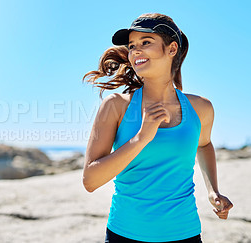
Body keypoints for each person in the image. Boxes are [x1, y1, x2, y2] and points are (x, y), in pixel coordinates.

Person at [82, 13, 233, 243]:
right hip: (125, 235)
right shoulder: (116, 106)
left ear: (171, 49)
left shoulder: (200, 108)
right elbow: (90, 180)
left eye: (146, 42)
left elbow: (204, 144)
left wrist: (213, 191)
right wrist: (141, 138)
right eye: (132, 46)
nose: (135, 51)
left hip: (185, 234)